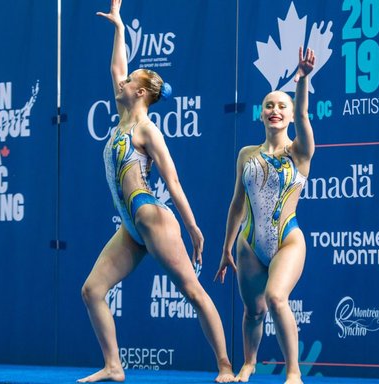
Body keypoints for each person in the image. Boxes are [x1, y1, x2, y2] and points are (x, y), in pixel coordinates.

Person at [78, 0, 235, 382]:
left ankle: (226, 367)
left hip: (151, 216)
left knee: (193, 292)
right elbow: (117, 67)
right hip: (131, 225)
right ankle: (114, 366)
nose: (121, 82)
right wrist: (119, 27)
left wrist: (194, 228)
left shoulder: (147, 130)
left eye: (130, 81)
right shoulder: (121, 119)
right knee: (92, 290)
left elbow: (174, 181)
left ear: (142, 92)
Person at [215, 47, 316, 384]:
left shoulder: (299, 152)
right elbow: (237, 204)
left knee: (275, 298)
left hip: (288, 240)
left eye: (281, 106)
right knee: (253, 310)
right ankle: (248, 364)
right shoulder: (246, 154)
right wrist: (227, 247)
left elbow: (304, 116)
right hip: (248, 244)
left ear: (288, 116)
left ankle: (293, 372)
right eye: (269, 105)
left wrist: (301, 80)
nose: (275, 110)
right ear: (261, 114)